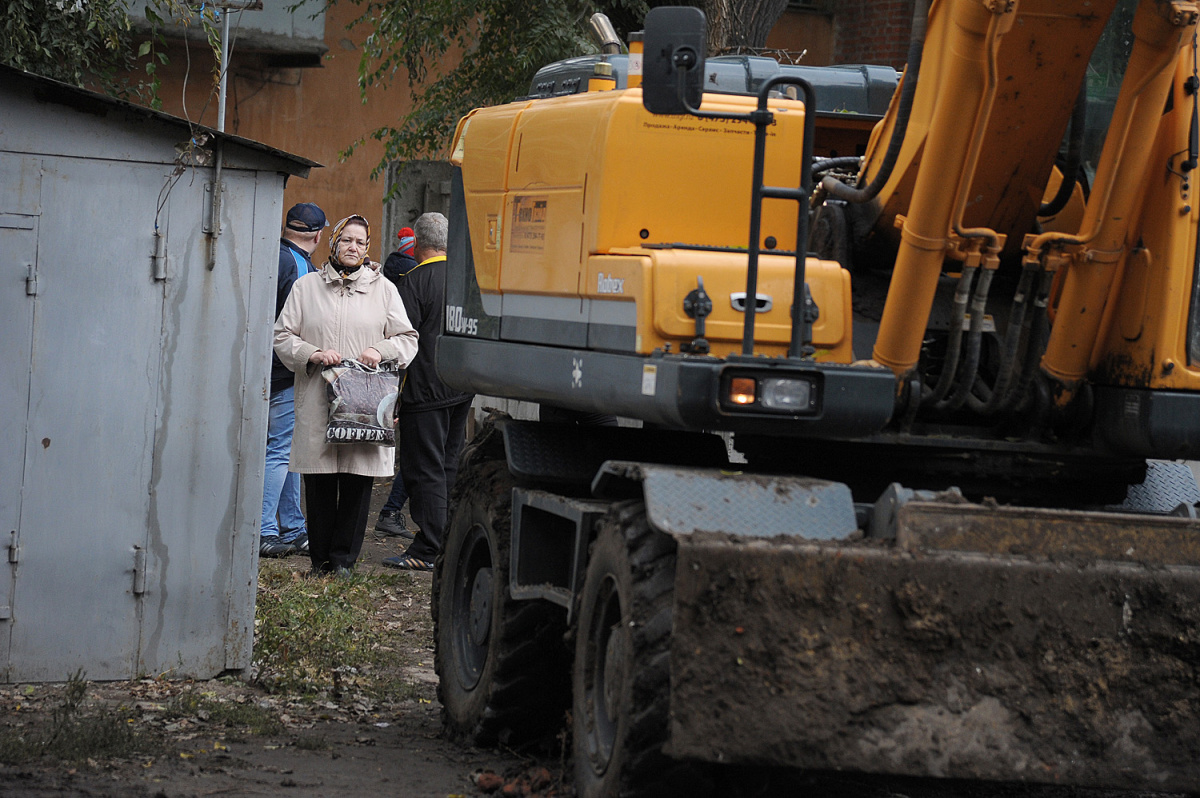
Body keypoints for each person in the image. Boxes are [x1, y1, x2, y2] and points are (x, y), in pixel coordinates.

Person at [274, 215, 419, 576]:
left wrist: (380, 350)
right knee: (320, 481)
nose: (353, 248)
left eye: (360, 242)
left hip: (364, 404)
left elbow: (407, 338)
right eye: (346, 240)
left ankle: (343, 563)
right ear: (334, 242)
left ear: (367, 248)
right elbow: (282, 336)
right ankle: (320, 561)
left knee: (356, 481)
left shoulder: (384, 290)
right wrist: (312, 353)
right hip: (318, 398)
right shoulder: (306, 288)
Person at [382, 212, 475, 571]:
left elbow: (402, 339)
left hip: (425, 391)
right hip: (461, 387)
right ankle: (450, 541)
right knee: (449, 464)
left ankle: (428, 547)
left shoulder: (413, 282)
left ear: (417, 245)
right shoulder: (466, 279)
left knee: (424, 469)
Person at [261, 202, 327, 559]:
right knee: (280, 451)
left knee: (284, 450)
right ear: (317, 236)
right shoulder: (301, 268)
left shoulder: (273, 253)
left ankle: (292, 526)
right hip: (287, 371)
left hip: (263, 369)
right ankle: (264, 529)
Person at [375, 227, 419, 539]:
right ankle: (391, 511)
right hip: (406, 376)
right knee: (417, 452)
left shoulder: (389, 278)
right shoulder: (411, 280)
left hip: (393, 376)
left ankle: (391, 510)